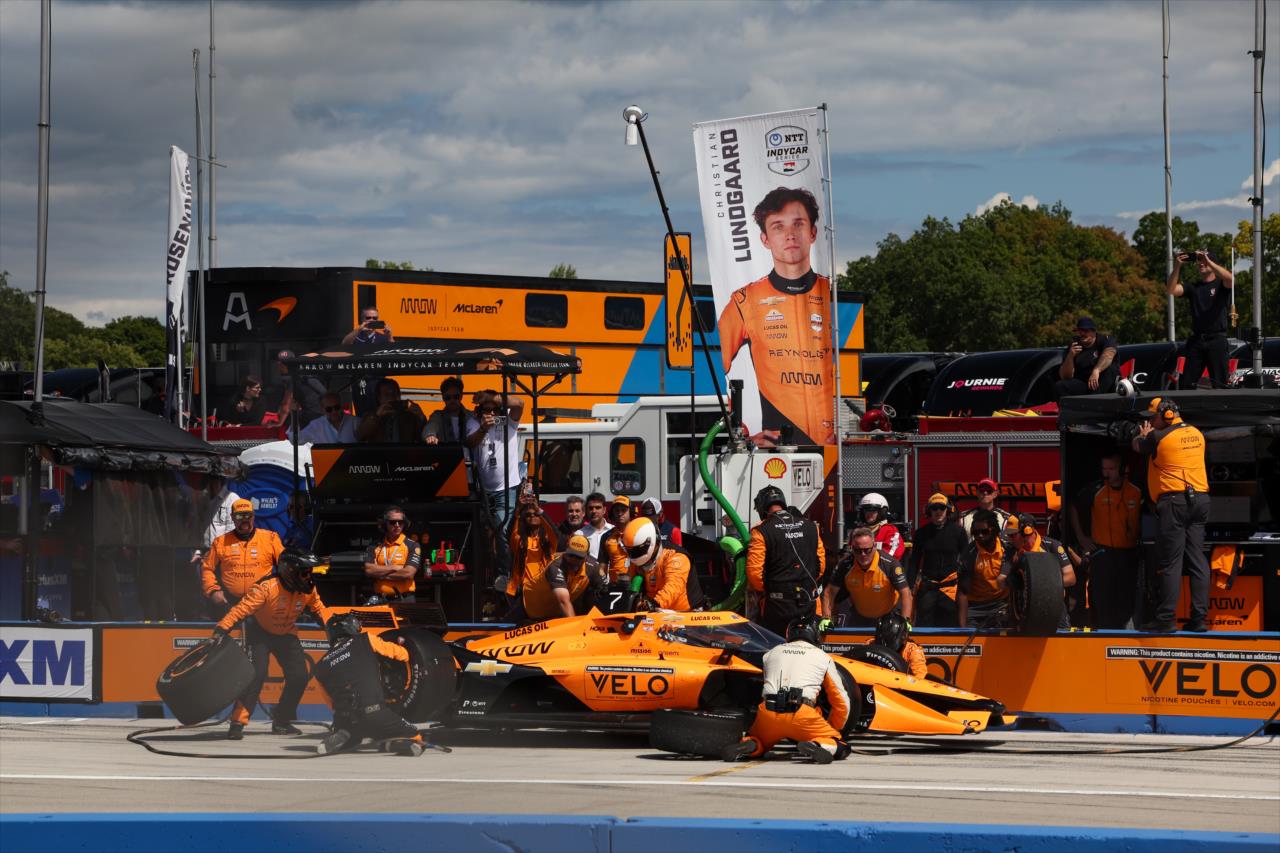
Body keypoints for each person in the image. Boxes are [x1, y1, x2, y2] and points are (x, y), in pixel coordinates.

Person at [717, 187, 834, 446]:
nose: (790, 235)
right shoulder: (745, 301)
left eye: (798, 224)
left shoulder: (833, 295)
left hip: (833, 451)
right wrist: (742, 433)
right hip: (777, 454)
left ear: (813, 233)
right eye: (778, 227)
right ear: (765, 239)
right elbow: (711, 369)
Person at [211, 549, 329, 739]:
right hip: (260, 633)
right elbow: (240, 610)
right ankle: (237, 722)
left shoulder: (308, 590)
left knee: (299, 676)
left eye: (311, 572)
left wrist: (335, 627)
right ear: (290, 571)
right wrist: (221, 629)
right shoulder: (266, 588)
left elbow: (320, 611)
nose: (309, 577)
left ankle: (281, 721)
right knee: (255, 675)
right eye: (305, 572)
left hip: (287, 633)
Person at [722, 615, 850, 765]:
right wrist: (832, 727)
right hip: (802, 714)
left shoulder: (770, 654)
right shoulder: (823, 657)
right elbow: (842, 701)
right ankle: (818, 745)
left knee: (759, 740)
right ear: (815, 635)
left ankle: (751, 744)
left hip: (769, 712)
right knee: (842, 746)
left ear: (789, 634)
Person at [1131, 397, 1210, 632]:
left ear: (1166, 416)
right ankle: (1199, 619)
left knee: (1171, 562)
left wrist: (1141, 434)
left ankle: (1166, 619)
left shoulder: (1157, 436)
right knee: (1197, 559)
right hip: (1201, 499)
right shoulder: (1197, 433)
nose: (1151, 422)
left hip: (1174, 502)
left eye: (1153, 418)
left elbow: (1137, 446)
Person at [313, 612, 430, 756]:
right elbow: (402, 654)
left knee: (355, 735)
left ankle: (346, 735)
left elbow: (330, 703)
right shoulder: (365, 639)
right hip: (374, 712)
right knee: (417, 736)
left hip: (344, 718)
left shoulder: (320, 667)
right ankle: (395, 743)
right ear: (351, 628)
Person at [1070, 453, 1142, 629]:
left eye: (1111, 469)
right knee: (1103, 597)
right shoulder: (1095, 490)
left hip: (1129, 553)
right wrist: (1081, 537)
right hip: (1103, 552)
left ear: (1122, 469)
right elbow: (1073, 506)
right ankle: (1104, 632)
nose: (1106, 472)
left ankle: (1126, 634)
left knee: (1126, 597)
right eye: (1104, 468)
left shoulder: (1136, 491)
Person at [746, 485, 824, 635]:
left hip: (777, 606)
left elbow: (754, 574)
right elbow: (820, 566)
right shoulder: (810, 526)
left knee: (775, 651)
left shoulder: (761, 531)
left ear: (762, 508)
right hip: (808, 603)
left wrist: (769, 590)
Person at [466, 389, 526, 576]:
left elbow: (520, 404)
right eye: (487, 410)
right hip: (482, 489)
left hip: (506, 488)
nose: (491, 414)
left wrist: (491, 398)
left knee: (503, 531)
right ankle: (485, 574)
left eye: (495, 410)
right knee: (483, 534)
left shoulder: (508, 421)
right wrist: (483, 428)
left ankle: (506, 575)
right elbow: (469, 442)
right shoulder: (474, 422)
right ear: (479, 411)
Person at [200, 498, 284, 614]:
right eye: (240, 516)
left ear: (253, 516)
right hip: (229, 604)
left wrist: (279, 591)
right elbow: (207, 568)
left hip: (263, 603)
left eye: (248, 516)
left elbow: (285, 567)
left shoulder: (270, 539)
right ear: (233, 518)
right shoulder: (220, 542)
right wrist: (212, 591)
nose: (244, 520)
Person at [1168, 249, 1234, 389]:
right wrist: (1177, 266)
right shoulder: (1193, 287)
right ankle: (1188, 410)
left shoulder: (1220, 284)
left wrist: (1208, 260)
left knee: (1220, 383)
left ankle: (1221, 410)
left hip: (1217, 339)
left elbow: (1230, 279)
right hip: (1197, 340)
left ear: (1212, 262)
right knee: (1187, 384)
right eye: (1199, 261)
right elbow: (1171, 289)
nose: (1201, 264)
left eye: (1204, 261)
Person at [822, 527, 912, 627]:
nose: (863, 554)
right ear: (852, 548)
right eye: (858, 550)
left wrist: (905, 620)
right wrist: (826, 618)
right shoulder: (845, 564)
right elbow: (829, 592)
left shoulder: (890, 564)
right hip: (860, 615)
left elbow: (906, 593)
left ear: (874, 546)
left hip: (889, 615)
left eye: (867, 550)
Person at [1004, 513, 1074, 630]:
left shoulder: (1052, 546)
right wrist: (1009, 580)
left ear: (1027, 531)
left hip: (1053, 607)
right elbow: (1000, 580)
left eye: (1013, 535)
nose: (1010, 539)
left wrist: (1037, 584)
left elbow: (1071, 578)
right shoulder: (1010, 550)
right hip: (1021, 610)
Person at [910, 493, 967, 627]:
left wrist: (965, 585)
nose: (938, 511)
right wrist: (909, 585)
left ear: (948, 510)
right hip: (927, 589)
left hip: (950, 590)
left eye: (941, 508)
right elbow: (914, 561)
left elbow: (966, 560)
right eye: (934, 508)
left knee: (950, 626)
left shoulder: (958, 532)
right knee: (924, 626)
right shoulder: (921, 533)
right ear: (929, 511)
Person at [622, 517, 701, 611]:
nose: (634, 554)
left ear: (651, 543)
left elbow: (673, 587)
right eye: (631, 551)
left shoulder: (675, 556)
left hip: (686, 614)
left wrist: (652, 604)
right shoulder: (636, 559)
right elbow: (629, 583)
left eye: (638, 550)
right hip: (654, 613)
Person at [521, 533, 605, 621]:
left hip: (554, 614)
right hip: (527, 605)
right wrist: (575, 630)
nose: (573, 560)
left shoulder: (594, 568)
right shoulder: (556, 566)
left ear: (586, 557)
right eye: (571, 555)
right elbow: (563, 601)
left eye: (578, 557)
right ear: (566, 551)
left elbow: (606, 590)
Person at [956, 509, 1014, 629]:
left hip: (1002, 605)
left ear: (994, 530)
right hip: (976, 608)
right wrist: (962, 629)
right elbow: (962, 592)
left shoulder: (1008, 550)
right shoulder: (969, 554)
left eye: (984, 531)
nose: (980, 535)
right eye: (976, 532)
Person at [505, 499, 559, 610]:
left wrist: (539, 510)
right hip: (523, 590)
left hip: (545, 590)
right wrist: (518, 510)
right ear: (524, 519)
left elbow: (553, 530)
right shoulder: (519, 541)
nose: (532, 516)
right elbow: (511, 531)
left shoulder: (549, 541)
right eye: (528, 515)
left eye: (535, 514)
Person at [363, 506, 421, 602]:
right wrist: (396, 567)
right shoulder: (374, 545)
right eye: (393, 522)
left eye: (400, 522)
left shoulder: (412, 545)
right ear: (385, 524)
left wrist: (379, 575)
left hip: (404, 599)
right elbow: (369, 570)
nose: (397, 525)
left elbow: (408, 573)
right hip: (380, 599)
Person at [1053, 317, 1118, 399]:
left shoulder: (1105, 340)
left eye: (1086, 331)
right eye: (1080, 331)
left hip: (1104, 384)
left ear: (1094, 331)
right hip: (1085, 384)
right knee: (1060, 385)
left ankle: (1095, 402)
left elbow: (1109, 355)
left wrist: (1096, 370)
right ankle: (1069, 410)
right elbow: (1065, 376)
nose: (1082, 334)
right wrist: (1070, 356)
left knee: (1110, 368)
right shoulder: (1074, 345)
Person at [357, 379, 426, 444]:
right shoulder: (370, 415)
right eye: (387, 395)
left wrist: (421, 416)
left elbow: (423, 438)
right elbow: (361, 436)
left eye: (395, 394)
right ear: (379, 398)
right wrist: (376, 416)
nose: (392, 398)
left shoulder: (409, 416)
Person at [273, 349, 327, 428]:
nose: (278, 364)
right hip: (323, 413)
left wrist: (279, 423)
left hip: (311, 414)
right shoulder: (304, 372)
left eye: (281, 363)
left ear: (280, 364)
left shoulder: (290, 378)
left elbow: (286, 404)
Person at [869, 612, 926, 679]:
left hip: (902, 685)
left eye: (890, 637)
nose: (888, 640)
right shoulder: (870, 645)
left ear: (903, 636)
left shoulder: (912, 650)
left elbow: (919, 676)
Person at [855, 493, 904, 561]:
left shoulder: (890, 530)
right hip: (858, 570)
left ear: (882, 512)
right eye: (866, 510)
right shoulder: (857, 531)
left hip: (881, 570)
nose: (868, 514)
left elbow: (892, 555)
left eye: (873, 510)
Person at [597, 496, 634, 583]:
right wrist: (603, 585)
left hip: (636, 585)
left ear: (631, 512)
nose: (620, 513)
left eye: (623, 510)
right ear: (612, 514)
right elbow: (602, 567)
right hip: (614, 586)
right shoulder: (606, 536)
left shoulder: (639, 533)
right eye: (617, 510)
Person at [423, 377, 468, 445]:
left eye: (456, 397)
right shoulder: (438, 416)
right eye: (448, 397)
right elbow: (431, 426)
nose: (452, 400)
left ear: (461, 396)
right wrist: (430, 435)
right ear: (443, 398)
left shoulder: (471, 416)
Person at [578, 491, 612, 559]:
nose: (594, 511)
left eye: (598, 507)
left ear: (604, 510)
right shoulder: (579, 535)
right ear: (586, 511)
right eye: (590, 508)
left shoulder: (614, 531)